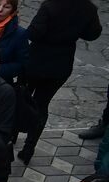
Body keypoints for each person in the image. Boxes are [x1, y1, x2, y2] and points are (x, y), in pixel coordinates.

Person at [18, 0, 102, 160]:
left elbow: (34, 32)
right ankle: (29, 148)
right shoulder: (88, 8)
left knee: (22, 97)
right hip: (61, 64)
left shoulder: (50, 5)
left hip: (36, 60)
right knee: (42, 104)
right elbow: (93, 34)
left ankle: (13, 135)